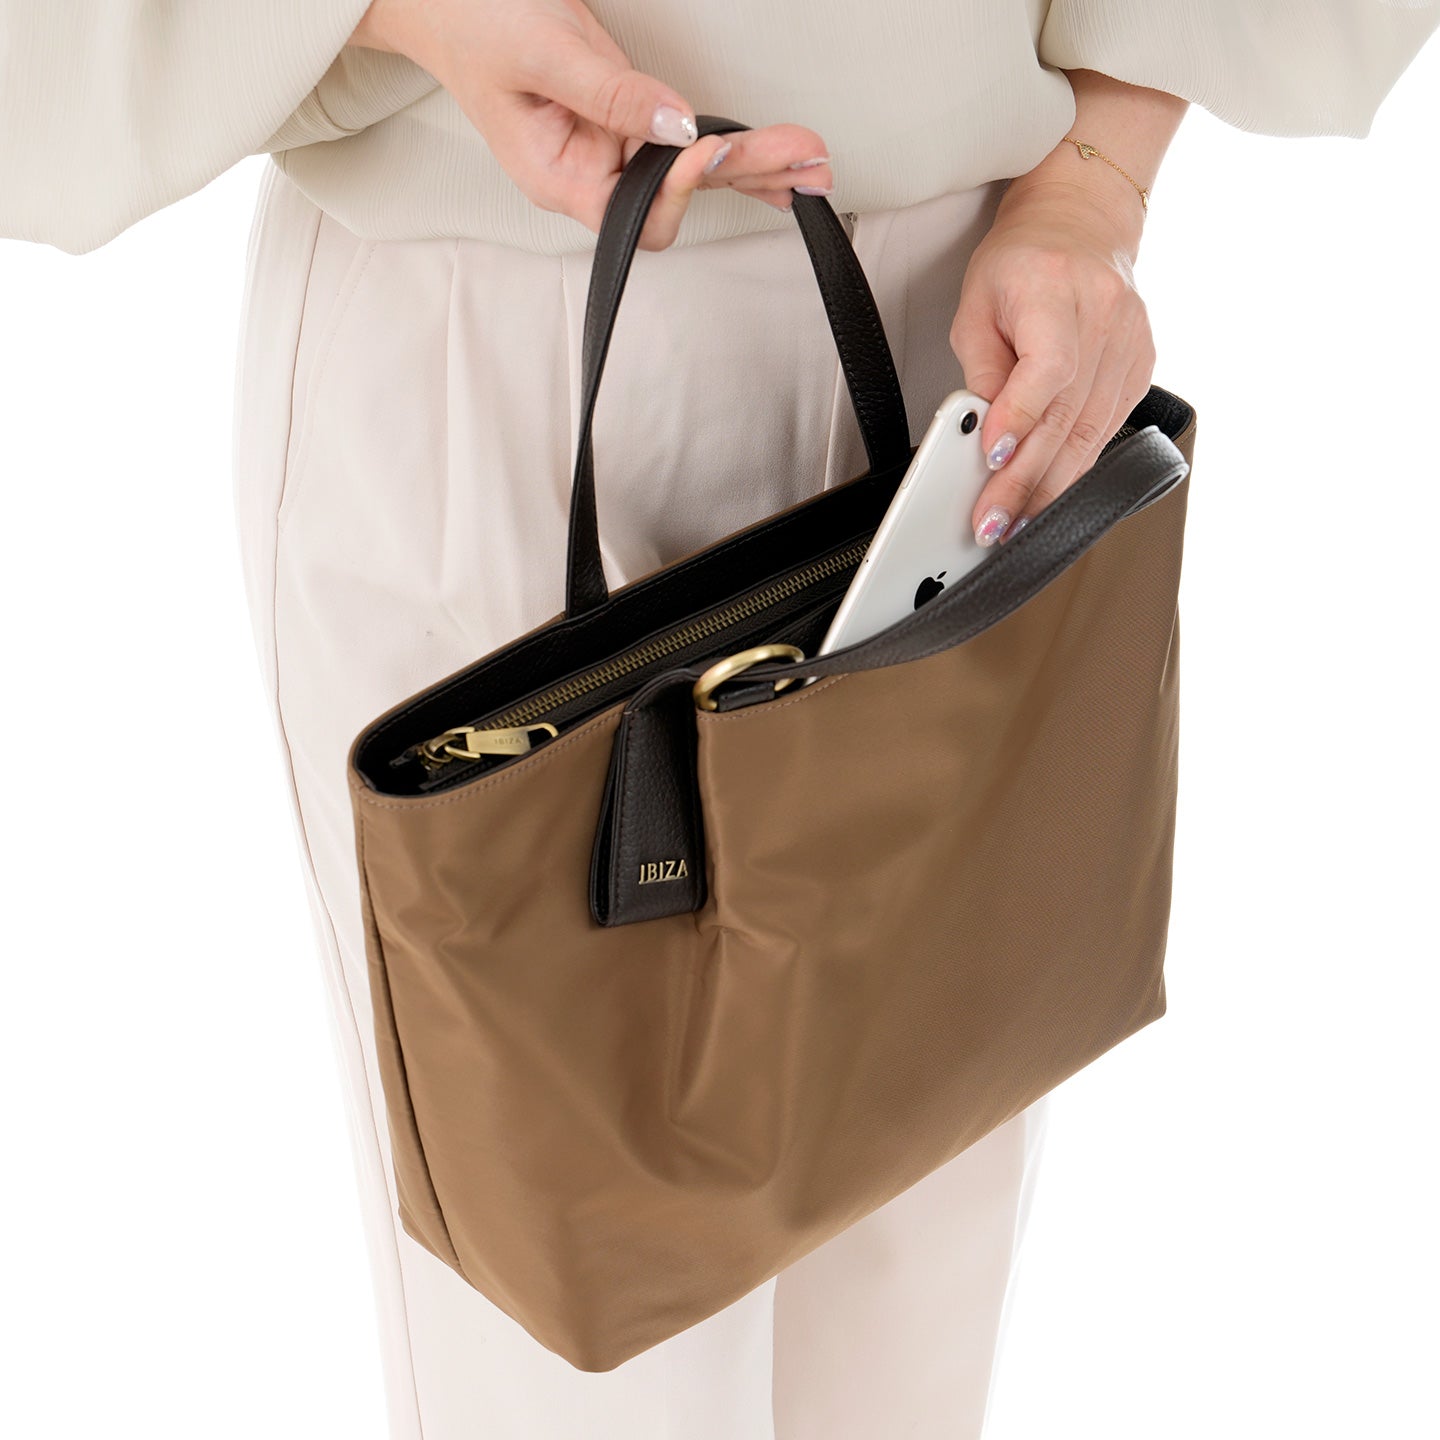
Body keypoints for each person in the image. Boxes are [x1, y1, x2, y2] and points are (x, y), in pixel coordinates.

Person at [2, 3, 1435, 1436]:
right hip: (502, 298)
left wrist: (1098, 180)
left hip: (975, 317)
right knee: (583, 1368)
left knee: (909, 1349)